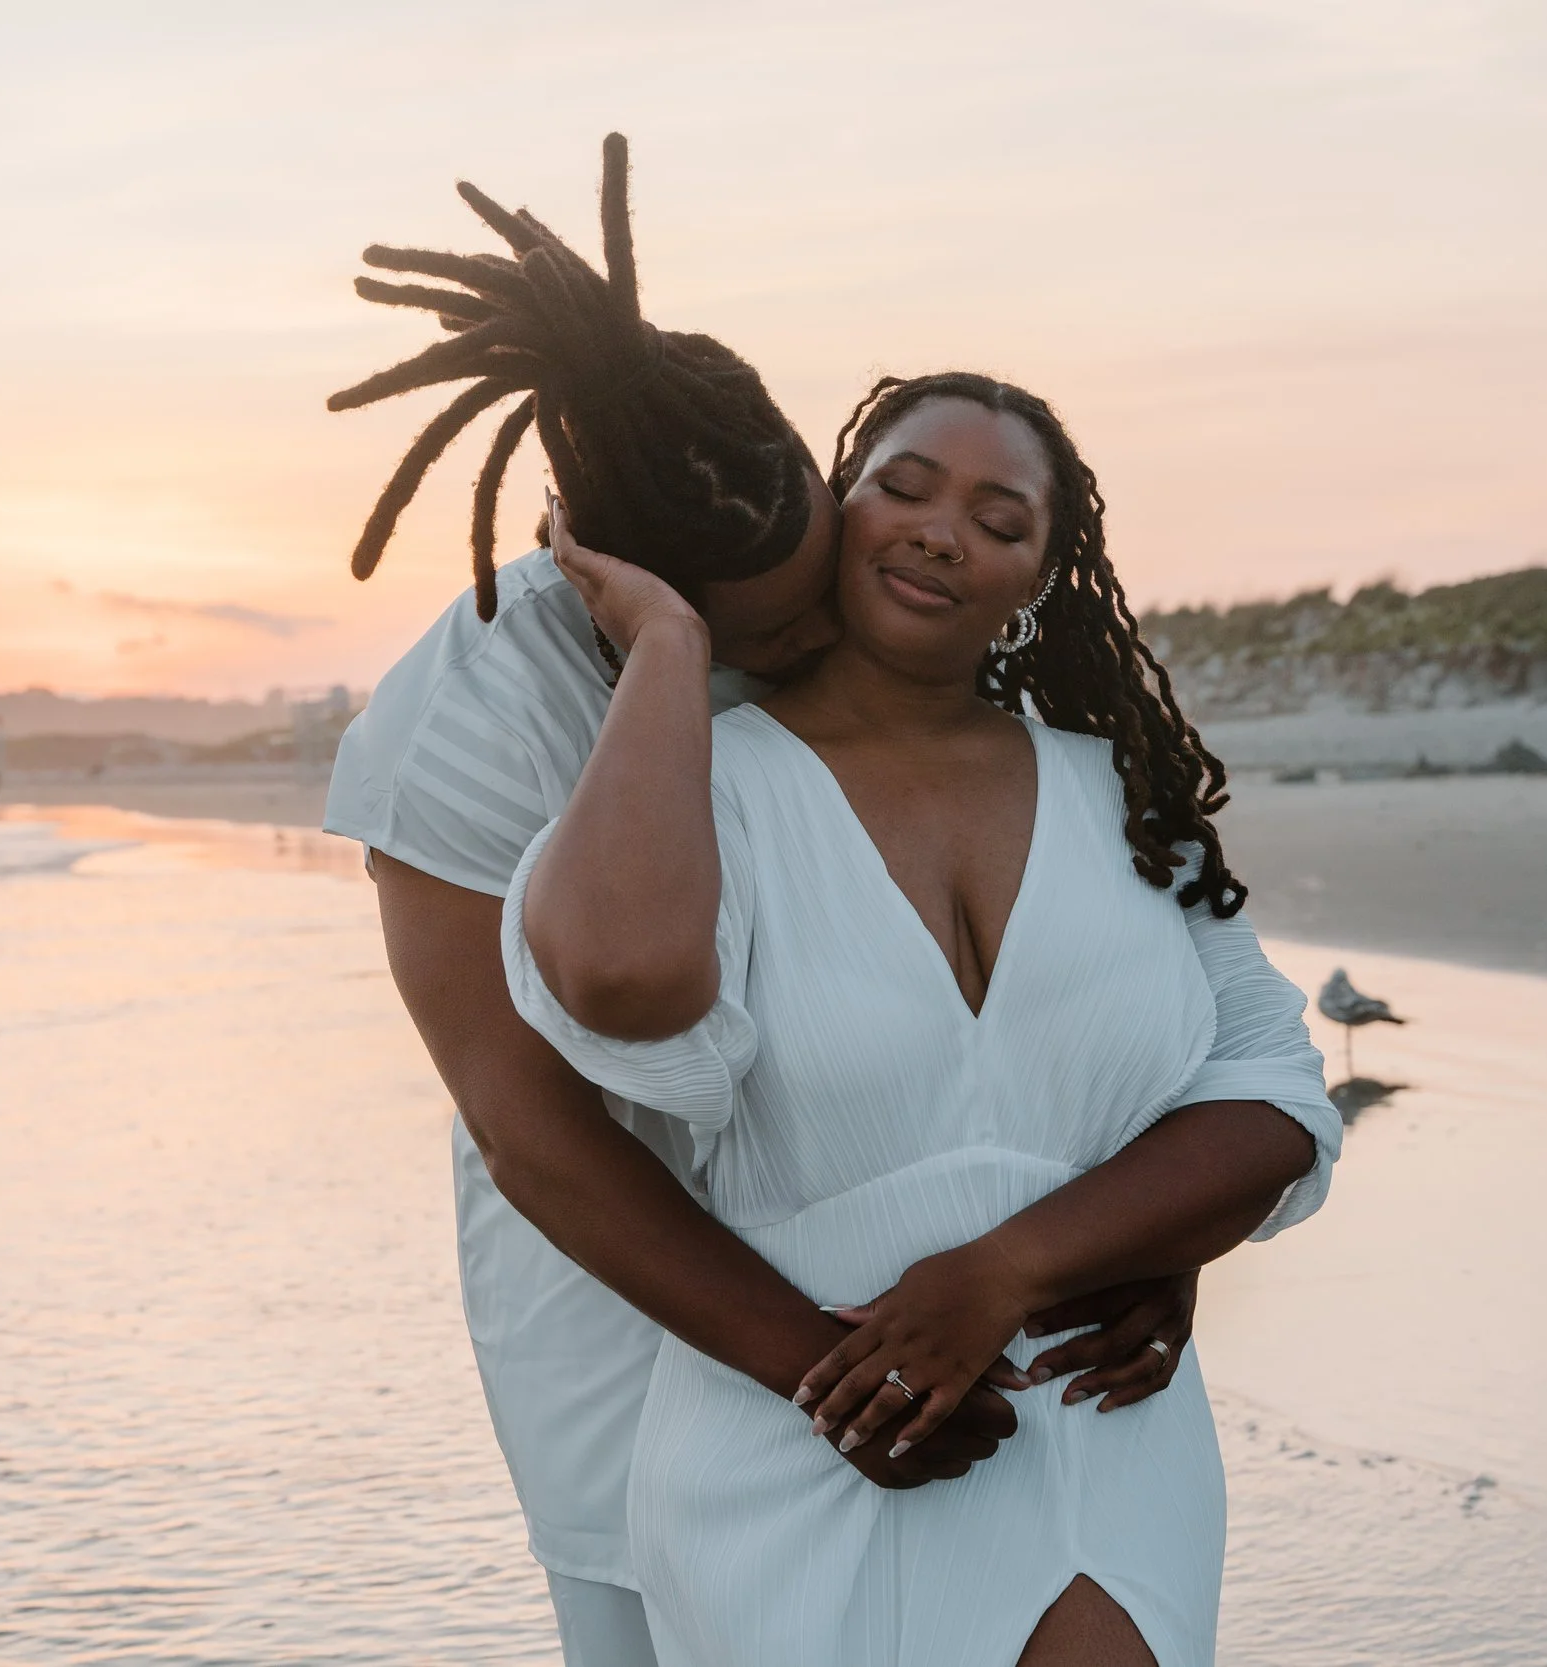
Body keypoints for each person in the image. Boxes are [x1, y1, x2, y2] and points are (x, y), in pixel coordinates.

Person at [322, 138, 1200, 1667]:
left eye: (827, 564)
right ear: (629, 582)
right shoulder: (460, 727)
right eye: (774, 627)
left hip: (959, 1313)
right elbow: (535, 1133)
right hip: (649, 1328)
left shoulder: (857, 593)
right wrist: (831, 1376)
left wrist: (1139, 1233)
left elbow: (1045, 962)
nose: (822, 636)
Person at [504, 373, 1342, 1665]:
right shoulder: (698, 791)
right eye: (903, 488)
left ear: (1045, 578)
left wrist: (1010, 1267)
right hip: (804, 1437)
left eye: (1000, 520)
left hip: (1097, 1426)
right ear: (835, 511)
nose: (943, 530)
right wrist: (671, 643)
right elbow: (619, 980)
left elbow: (1277, 1097)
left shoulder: (1123, 792)